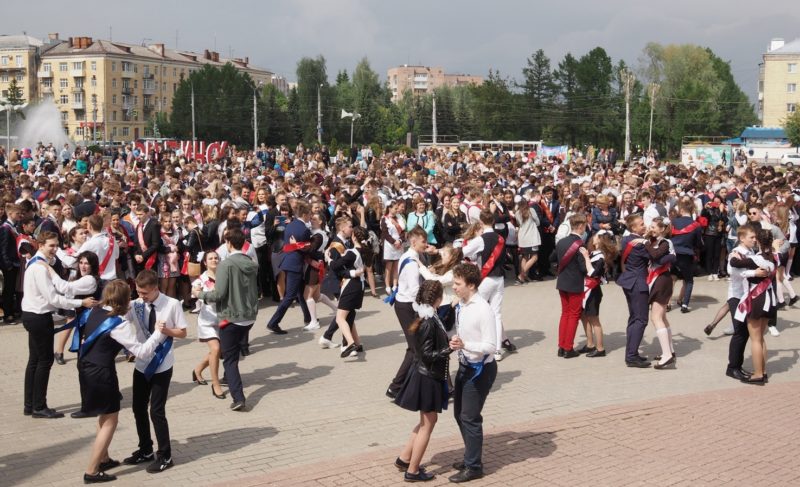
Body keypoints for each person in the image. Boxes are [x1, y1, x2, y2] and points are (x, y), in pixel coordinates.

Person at [75, 280, 168, 484]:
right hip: (101, 372)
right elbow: (142, 352)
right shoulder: (119, 324)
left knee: (104, 414)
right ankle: (91, 471)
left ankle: (104, 458)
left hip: (86, 367)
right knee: (111, 420)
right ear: (124, 299)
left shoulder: (96, 310)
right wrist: (159, 333)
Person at [22, 232, 98, 418]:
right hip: (39, 316)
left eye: (57, 245)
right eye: (51, 246)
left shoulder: (40, 264)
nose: (55, 249)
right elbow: (54, 298)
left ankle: (30, 404)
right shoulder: (40, 267)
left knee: (34, 360)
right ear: (40, 245)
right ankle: (39, 406)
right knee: (44, 361)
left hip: (33, 314)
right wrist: (81, 303)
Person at [122, 269, 188, 473]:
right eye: (139, 292)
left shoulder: (172, 304)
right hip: (142, 363)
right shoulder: (137, 305)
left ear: (155, 288)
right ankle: (145, 449)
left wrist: (166, 331)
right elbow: (122, 319)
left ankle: (165, 455)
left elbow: (183, 333)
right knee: (138, 407)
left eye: (145, 293)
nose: (141, 296)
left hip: (161, 364)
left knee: (156, 411)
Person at [393, 280, 453, 483]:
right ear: (438, 298)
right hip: (428, 377)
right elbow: (428, 354)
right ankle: (413, 470)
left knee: (424, 422)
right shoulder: (428, 320)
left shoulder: (426, 315)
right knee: (429, 424)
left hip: (424, 375)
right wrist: (450, 349)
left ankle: (404, 458)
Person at [194, 228, 259, 410]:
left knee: (230, 360)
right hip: (249, 316)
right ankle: (215, 375)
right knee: (228, 350)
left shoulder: (227, 264)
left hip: (231, 317)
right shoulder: (251, 262)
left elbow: (219, 294)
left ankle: (238, 398)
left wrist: (200, 295)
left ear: (229, 244)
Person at [448, 263, 497, 483]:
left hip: (480, 369)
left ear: (471, 285)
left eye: (458, 284)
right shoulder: (463, 303)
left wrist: (465, 344)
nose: (454, 287)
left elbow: (490, 346)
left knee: (470, 417)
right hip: (466, 364)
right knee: (459, 414)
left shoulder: (482, 309)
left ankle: (474, 466)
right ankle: (471, 456)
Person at [462, 209, 516, 361]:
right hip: (499, 279)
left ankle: (477, 342)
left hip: (484, 280)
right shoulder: (500, 237)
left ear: (480, 222)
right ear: (493, 221)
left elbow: (464, 251)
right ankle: (497, 350)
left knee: (476, 309)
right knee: (496, 314)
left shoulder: (480, 239)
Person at [386, 226, 429, 399]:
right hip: (407, 307)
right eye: (423, 241)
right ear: (413, 241)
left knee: (418, 347)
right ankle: (396, 387)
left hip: (404, 305)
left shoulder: (410, 256)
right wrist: (423, 311)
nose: (426, 245)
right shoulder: (411, 262)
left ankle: (404, 384)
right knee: (415, 348)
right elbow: (414, 292)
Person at [732, 229, 778, 385]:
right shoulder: (773, 257)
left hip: (758, 299)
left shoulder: (755, 259)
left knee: (755, 339)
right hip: (769, 299)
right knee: (761, 337)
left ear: (758, 241)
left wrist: (735, 256)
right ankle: (762, 371)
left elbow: (734, 263)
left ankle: (758, 374)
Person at [723, 225, 766, 381]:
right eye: (751, 238)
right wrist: (755, 272)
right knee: (740, 331)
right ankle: (732, 367)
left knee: (746, 332)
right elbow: (732, 272)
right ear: (742, 238)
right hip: (737, 296)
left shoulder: (751, 252)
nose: (754, 240)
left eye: (755, 238)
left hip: (748, 296)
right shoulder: (736, 253)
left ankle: (738, 365)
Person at [265, 200, 312, 334]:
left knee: (300, 291)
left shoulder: (291, 225)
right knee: (290, 295)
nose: (310, 216)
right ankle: (273, 322)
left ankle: (308, 317)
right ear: (304, 214)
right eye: (309, 214)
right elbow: (307, 249)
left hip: (287, 260)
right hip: (295, 263)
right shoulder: (304, 229)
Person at [328, 226, 372, 358]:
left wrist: (329, 259)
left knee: (340, 318)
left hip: (351, 285)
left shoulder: (352, 252)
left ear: (354, 237)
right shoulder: (366, 251)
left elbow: (335, 266)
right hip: (360, 286)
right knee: (349, 315)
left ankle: (350, 343)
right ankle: (357, 343)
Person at [551, 213, 591, 358]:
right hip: (575, 283)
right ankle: (568, 348)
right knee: (574, 315)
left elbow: (552, 258)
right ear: (580, 227)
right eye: (585, 226)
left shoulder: (561, 241)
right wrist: (587, 259)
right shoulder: (580, 245)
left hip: (562, 281)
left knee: (565, 314)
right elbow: (583, 268)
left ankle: (561, 346)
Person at [617, 214, 652, 368]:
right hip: (638, 283)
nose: (645, 226)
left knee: (633, 318)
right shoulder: (639, 244)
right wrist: (648, 241)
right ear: (633, 228)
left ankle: (632, 352)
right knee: (641, 320)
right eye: (641, 224)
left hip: (629, 281)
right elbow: (656, 256)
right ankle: (631, 356)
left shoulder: (626, 239)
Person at [192, 251, 226, 400]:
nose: (214, 260)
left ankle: (197, 370)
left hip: (223, 320)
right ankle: (216, 384)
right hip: (207, 321)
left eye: (216, 258)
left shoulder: (225, 276)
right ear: (205, 262)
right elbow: (196, 293)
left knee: (218, 352)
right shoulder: (200, 280)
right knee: (216, 348)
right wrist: (196, 291)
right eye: (210, 258)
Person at [579, 231, 618, 357]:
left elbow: (593, 273)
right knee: (584, 317)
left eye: (595, 237)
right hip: (586, 289)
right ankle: (590, 344)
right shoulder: (594, 253)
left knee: (594, 319)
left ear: (601, 241)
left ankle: (600, 348)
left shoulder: (600, 257)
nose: (592, 238)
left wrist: (585, 257)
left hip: (593, 291)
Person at [645, 218, 678, 369]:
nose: (650, 228)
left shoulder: (664, 242)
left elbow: (655, 255)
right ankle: (670, 350)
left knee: (656, 317)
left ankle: (667, 355)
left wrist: (645, 243)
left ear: (661, 229)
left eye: (653, 227)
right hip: (659, 280)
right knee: (663, 317)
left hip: (662, 280)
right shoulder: (655, 241)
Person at [670, 198, 703, 314]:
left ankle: (668, 303)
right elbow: (698, 243)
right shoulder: (696, 225)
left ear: (682, 209)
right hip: (687, 254)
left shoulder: (673, 222)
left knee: (672, 278)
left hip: (673, 253)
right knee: (688, 280)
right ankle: (684, 304)